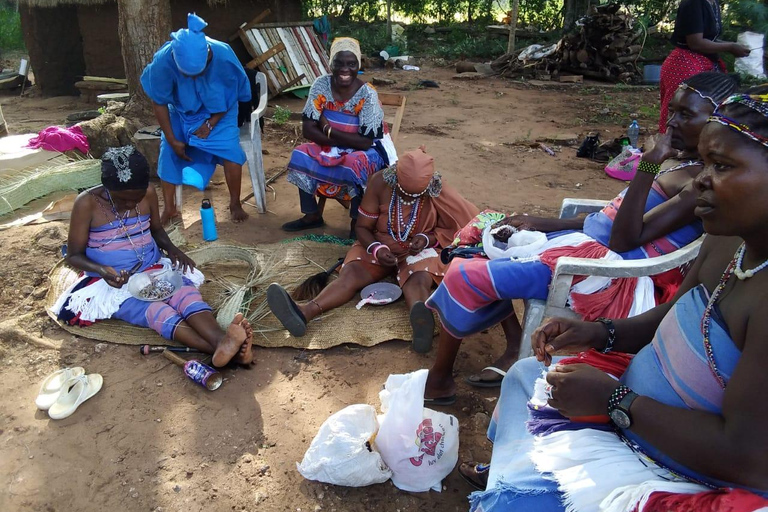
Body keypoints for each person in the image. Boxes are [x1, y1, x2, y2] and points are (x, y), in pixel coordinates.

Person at [459, 86, 768, 512]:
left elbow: (749, 459)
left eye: (722, 165)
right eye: (706, 161)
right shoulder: (727, 239)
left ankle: (510, 482)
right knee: (524, 375)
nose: (701, 178)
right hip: (638, 413)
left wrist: (615, 402)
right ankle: (504, 470)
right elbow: (671, 315)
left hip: (685, 469)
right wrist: (600, 332)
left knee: (511, 505)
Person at [424, 72, 737, 402]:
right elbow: (610, 216)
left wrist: (647, 163)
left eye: (686, 115)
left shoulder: (698, 184)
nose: (671, 122)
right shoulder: (682, 162)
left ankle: (440, 379)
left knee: (463, 274)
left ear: (717, 123)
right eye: (672, 110)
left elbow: (622, 239)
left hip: (604, 273)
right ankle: (514, 343)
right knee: (486, 247)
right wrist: (543, 222)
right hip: (586, 246)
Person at [54, 146, 254, 367]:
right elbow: (74, 255)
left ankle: (221, 341)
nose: (131, 205)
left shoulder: (148, 192)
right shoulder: (86, 204)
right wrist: (103, 270)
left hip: (152, 266)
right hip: (113, 283)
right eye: (123, 201)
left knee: (184, 294)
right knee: (158, 311)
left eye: (136, 199)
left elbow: (156, 230)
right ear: (108, 189)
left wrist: (173, 250)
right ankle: (227, 351)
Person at [267, 147, 478, 351]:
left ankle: (420, 317)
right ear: (394, 177)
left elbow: (451, 228)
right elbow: (362, 227)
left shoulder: (436, 189)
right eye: (405, 193)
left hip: (418, 251)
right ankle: (304, 313)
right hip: (378, 244)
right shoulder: (379, 182)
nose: (411, 200)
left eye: (417, 196)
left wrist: (425, 238)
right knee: (350, 276)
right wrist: (376, 248)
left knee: (419, 277)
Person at [140, 13, 251, 224]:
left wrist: (211, 124)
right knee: (168, 151)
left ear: (208, 57)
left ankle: (235, 203)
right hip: (180, 111)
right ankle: (170, 209)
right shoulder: (163, 61)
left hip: (220, 111)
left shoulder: (223, 55)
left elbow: (232, 95)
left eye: (198, 73)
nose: (193, 79)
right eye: (187, 74)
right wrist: (172, 139)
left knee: (230, 150)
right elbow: (159, 102)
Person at [281, 37, 397, 238]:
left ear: (358, 66)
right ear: (331, 64)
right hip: (333, 143)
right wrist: (336, 139)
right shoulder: (320, 85)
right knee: (300, 154)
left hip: (366, 150)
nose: (345, 69)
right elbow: (308, 129)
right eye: (339, 63)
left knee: (355, 163)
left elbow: (365, 142)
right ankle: (312, 215)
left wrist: (328, 129)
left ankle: (356, 222)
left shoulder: (367, 94)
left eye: (351, 64)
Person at [658, 0, 750, 132]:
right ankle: (672, 149)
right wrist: (730, 47)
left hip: (703, 63)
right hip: (685, 65)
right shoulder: (693, 3)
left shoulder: (712, 3)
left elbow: (710, 39)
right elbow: (696, 43)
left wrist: (734, 47)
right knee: (683, 115)